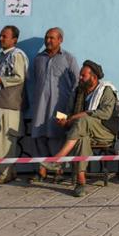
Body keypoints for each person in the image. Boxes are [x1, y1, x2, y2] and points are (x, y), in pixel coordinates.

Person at [51, 60, 119, 197]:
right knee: (82, 138)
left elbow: (105, 113)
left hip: (104, 131)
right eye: (80, 75)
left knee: (83, 120)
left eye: (83, 75)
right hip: (83, 130)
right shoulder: (78, 92)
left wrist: (82, 114)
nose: (80, 78)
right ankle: (81, 182)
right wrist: (65, 121)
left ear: (93, 77)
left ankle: (59, 157)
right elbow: (70, 114)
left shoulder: (106, 90)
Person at [28, 27, 79, 182]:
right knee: (39, 136)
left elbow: (77, 82)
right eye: (47, 37)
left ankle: (58, 171)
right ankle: (41, 171)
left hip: (61, 107)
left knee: (57, 136)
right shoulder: (38, 59)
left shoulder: (68, 58)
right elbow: (36, 81)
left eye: (52, 38)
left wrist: (71, 106)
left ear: (60, 40)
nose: (48, 40)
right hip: (40, 106)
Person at [0, 25, 28, 184]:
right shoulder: (3, 56)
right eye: (0, 36)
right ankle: (9, 172)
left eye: (4, 36)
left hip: (9, 105)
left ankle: (3, 174)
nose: (0, 39)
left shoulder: (16, 55)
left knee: (5, 141)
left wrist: (0, 80)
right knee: (0, 140)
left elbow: (19, 77)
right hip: (0, 103)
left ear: (14, 39)